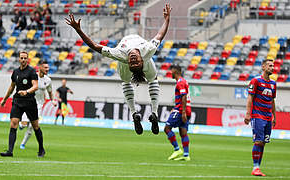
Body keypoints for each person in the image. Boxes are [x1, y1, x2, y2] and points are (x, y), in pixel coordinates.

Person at [65, 3, 172, 135]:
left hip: (128, 63)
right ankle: (144, 113)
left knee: (136, 81)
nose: (132, 59)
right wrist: (167, 19)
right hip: (136, 63)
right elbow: (160, 34)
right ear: (141, 61)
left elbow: (94, 46)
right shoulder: (148, 50)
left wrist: (78, 30)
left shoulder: (121, 54)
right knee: (148, 80)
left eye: (133, 62)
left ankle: (145, 114)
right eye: (134, 62)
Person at [0, 51, 45, 157]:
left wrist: (26, 92)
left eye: (25, 58)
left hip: (29, 102)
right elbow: (12, 87)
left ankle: (41, 149)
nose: (23, 60)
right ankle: (10, 151)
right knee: (13, 123)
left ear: (27, 59)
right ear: (19, 59)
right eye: (21, 58)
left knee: (35, 126)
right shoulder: (15, 72)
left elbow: (35, 86)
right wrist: (4, 99)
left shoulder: (32, 72)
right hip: (17, 101)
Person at [244, 59, 276, 176]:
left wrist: (274, 116)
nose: (272, 68)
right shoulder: (255, 81)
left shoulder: (273, 84)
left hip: (268, 117)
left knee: (263, 142)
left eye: (273, 66)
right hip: (257, 115)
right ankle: (255, 167)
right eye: (269, 65)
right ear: (263, 67)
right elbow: (250, 98)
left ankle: (258, 167)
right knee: (258, 141)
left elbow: (272, 101)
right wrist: (248, 114)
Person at [19, 60, 56, 150]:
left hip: (39, 105)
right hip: (28, 102)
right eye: (45, 67)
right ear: (40, 67)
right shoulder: (32, 76)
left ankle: (23, 144)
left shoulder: (48, 80)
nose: (47, 69)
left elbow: (50, 92)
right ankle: (22, 124)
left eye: (48, 67)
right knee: (23, 125)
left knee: (32, 126)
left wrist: (52, 100)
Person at [164, 65, 192, 161]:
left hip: (181, 110)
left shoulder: (180, 83)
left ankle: (177, 149)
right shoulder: (184, 81)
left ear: (175, 71)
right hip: (185, 109)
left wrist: (182, 112)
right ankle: (186, 155)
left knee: (167, 128)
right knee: (183, 132)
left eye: (171, 71)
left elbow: (183, 96)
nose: (170, 73)